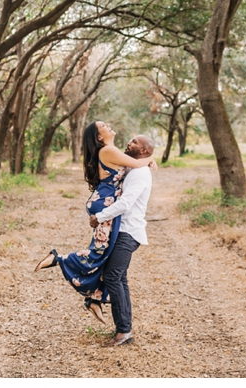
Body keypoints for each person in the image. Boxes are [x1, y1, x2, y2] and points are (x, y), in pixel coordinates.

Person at [34, 121, 155, 325]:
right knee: (98, 254)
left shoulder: (111, 151)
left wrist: (146, 160)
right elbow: (137, 163)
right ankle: (59, 259)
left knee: (105, 257)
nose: (109, 125)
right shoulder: (108, 150)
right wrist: (150, 158)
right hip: (104, 203)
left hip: (104, 202)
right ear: (100, 137)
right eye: (104, 126)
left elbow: (135, 164)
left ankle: (95, 298)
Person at [89, 133, 154, 347]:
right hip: (122, 230)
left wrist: (99, 217)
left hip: (129, 232)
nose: (129, 142)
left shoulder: (140, 174)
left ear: (144, 150)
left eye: (135, 142)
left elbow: (126, 203)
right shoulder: (134, 168)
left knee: (112, 276)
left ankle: (124, 330)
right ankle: (124, 328)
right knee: (118, 277)